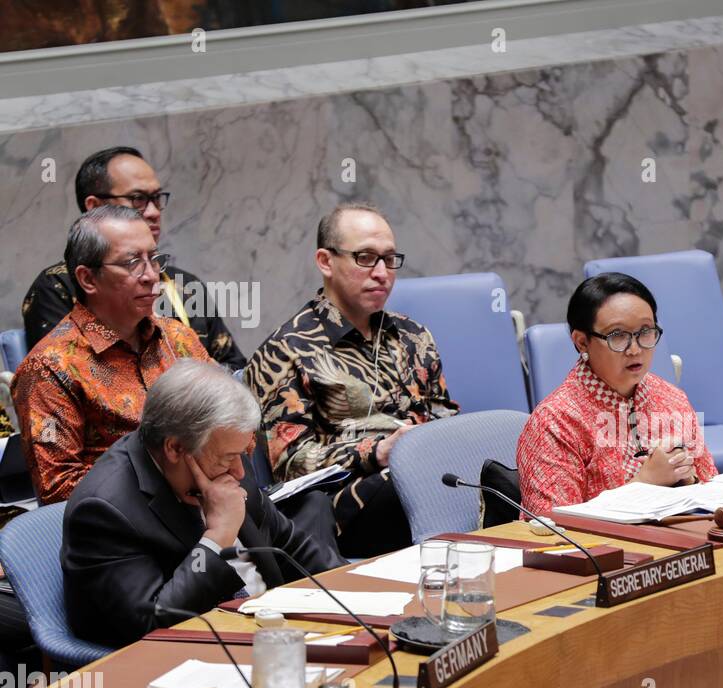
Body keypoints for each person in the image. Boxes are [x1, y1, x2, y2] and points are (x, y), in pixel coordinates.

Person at [61, 360, 343, 649]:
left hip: (272, 632)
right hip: (185, 661)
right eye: (226, 459)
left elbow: (292, 546)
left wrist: (356, 595)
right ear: (175, 448)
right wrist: (216, 539)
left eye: (241, 454)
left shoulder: (221, 451)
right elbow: (151, 624)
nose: (240, 472)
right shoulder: (105, 510)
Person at [246, 202, 457, 557]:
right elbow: (290, 465)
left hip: (426, 477)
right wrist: (378, 451)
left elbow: (443, 417)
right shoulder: (287, 349)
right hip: (345, 502)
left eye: (389, 259)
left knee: (494, 473)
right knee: (408, 484)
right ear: (326, 262)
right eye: (365, 258)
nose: (381, 272)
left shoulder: (413, 336)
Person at [12, 206, 210, 504]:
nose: (151, 275)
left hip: (210, 500)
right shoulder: (49, 368)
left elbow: (228, 421)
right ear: (88, 279)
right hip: (126, 528)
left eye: (154, 259)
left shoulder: (177, 337)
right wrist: (171, 473)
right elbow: (58, 489)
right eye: (133, 263)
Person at [20, 146, 244, 369]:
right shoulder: (57, 286)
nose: (154, 212)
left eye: (156, 198)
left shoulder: (184, 289)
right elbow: (61, 370)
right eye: (138, 199)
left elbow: (234, 370)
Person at [517, 273, 718, 514]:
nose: (635, 350)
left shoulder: (671, 399)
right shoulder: (555, 422)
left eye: (645, 331)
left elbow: (711, 488)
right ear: (582, 342)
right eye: (617, 336)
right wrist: (645, 484)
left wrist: (688, 481)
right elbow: (552, 527)